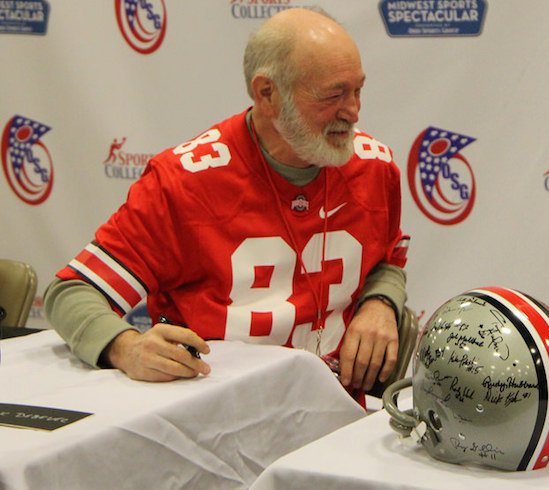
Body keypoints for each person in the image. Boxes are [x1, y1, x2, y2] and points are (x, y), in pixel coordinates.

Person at [43, 7, 410, 400]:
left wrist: (381, 301)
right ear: (267, 94)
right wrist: (125, 346)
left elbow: (386, 259)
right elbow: (73, 292)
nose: (353, 112)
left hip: (337, 415)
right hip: (212, 419)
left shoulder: (376, 167)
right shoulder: (183, 182)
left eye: (357, 90)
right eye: (332, 95)